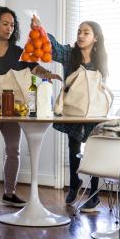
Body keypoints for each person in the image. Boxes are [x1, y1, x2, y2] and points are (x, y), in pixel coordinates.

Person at [0, 6, 61, 209]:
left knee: (13, 150)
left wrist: (48, 74)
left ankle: (9, 193)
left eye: (12, 25)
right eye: (5, 23)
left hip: (14, 108)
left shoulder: (18, 51)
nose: (9, 28)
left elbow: (34, 68)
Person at [32, 16, 109, 212]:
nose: (81, 36)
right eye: (79, 32)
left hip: (94, 112)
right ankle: (74, 182)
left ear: (96, 38)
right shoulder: (69, 54)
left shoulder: (101, 59)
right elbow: (53, 48)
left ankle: (94, 194)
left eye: (86, 32)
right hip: (74, 110)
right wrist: (40, 29)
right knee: (73, 144)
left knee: (93, 149)